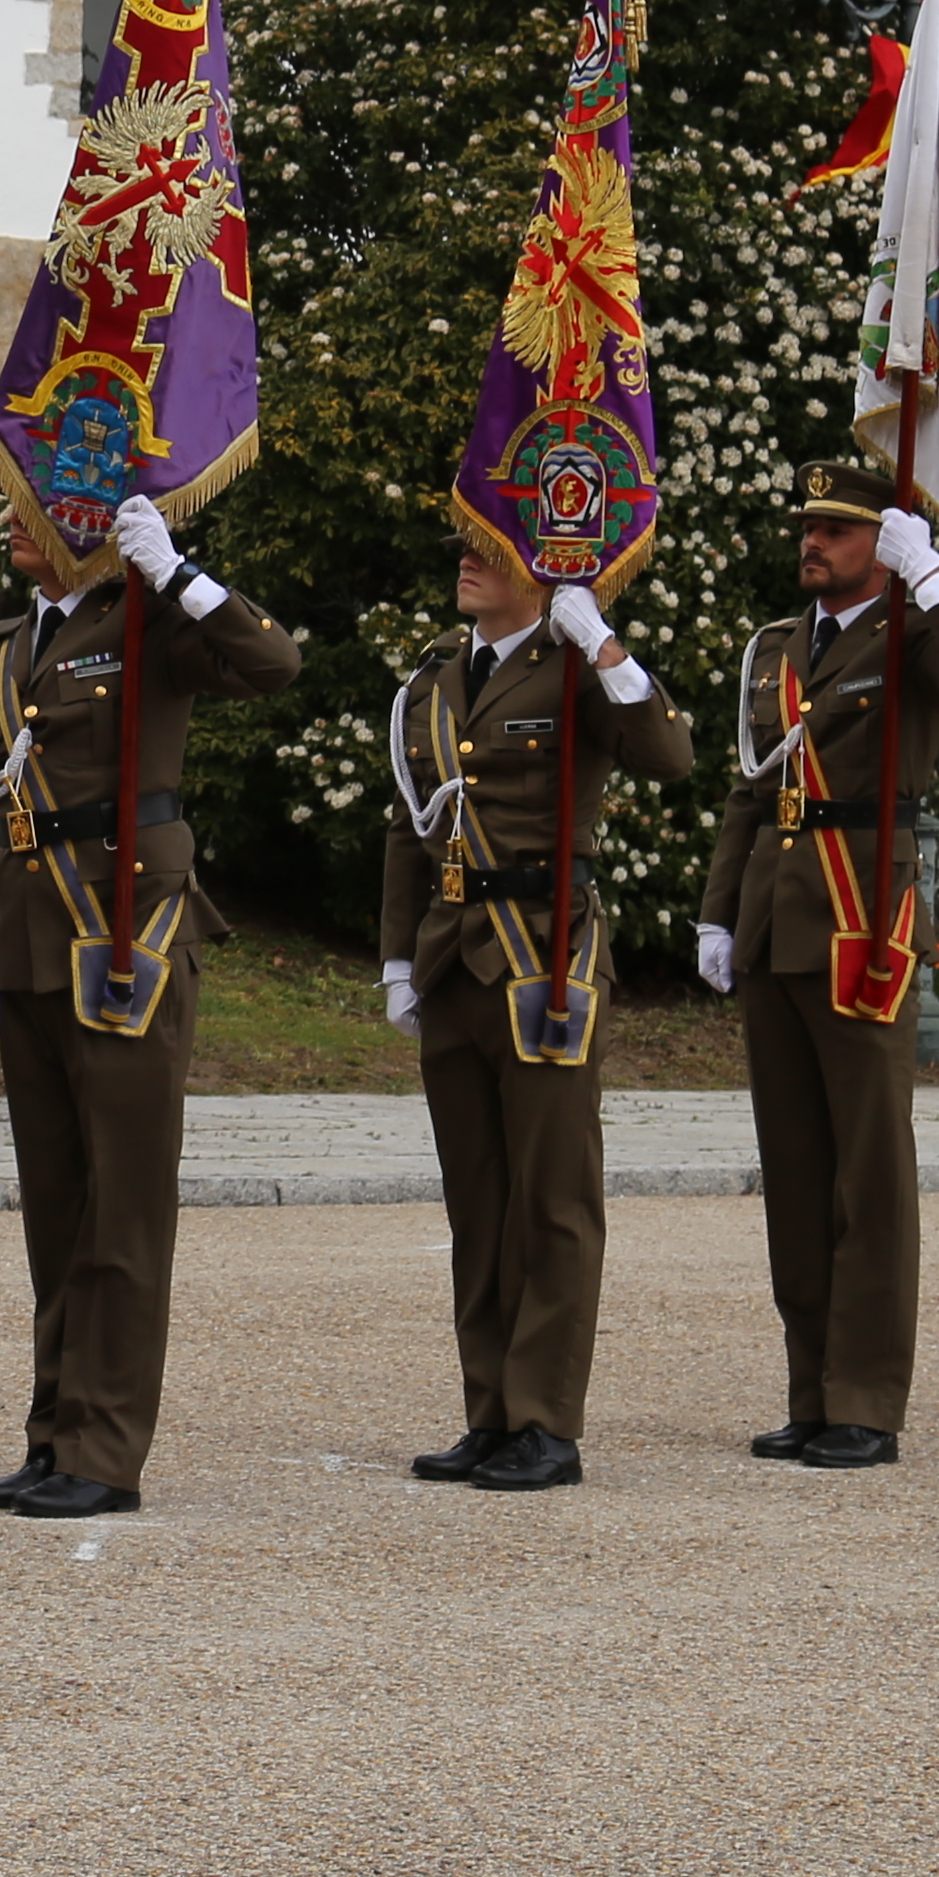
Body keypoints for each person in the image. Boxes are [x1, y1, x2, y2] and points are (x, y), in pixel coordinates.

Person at [0, 493, 300, 1519]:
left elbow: (273, 665)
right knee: (58, 1212)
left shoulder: (149, 623)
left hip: (125, 940)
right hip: (31, 948)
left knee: (124, 1209)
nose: (11, 519)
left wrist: (176, 573)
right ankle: (53, 1433)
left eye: (35, 504)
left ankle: (104, 1449)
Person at [698, 459, 939, 1470]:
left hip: (862, 918)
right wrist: (717, 915)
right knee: (796, 1171)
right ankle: (812, 1391)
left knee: (867, 1174)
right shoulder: (779, 650)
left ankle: (867, 1398)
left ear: (881, 543)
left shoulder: (916, 637)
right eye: (809, 527)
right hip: (778, 925)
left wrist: (934, 577)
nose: (812, 543)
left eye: (836, 530)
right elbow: (752, 791)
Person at [375, 527, 691, 1495]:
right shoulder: (434, 680)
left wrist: (600, 641)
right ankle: (491, 1411)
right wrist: (394, 959)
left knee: (552, 1197)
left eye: (490, 548)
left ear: (542, 567)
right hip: (453, 957)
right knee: (478, 1201)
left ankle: (546, 1419)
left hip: (542, 956)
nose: (466, 559)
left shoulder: (574, 668)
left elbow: (669, 754)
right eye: (464, 543)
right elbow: (408, 828)